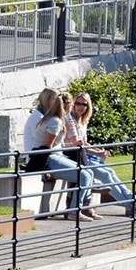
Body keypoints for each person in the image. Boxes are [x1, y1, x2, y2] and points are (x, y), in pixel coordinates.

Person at [66, 93, 136, 216]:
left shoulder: (82, 121)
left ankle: (131, 199)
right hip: (72, 157)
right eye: (78, 103)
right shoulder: (70, 120)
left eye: (84, 104)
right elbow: (78, 144)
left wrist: (99, 150)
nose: (81, 107)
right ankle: (129, 204)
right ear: (73, 104)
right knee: (104, 174)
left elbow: (84, 143)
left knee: (110, 171)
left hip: (82, 156)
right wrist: (98, 153)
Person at [30, 90, 96, 220]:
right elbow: (47, 147)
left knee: (89, 173)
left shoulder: (55, 120)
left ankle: (81, 207)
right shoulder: (55, 122)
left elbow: (56, 146)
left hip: (57, 157)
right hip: (50, 159)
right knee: (84, 176)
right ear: (68, 107)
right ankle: (74, 210)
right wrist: (44, 169)